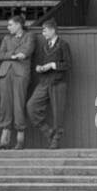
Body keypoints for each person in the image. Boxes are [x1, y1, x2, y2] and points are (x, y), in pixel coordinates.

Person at [25, 17, 73, 149]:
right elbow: (40, 62)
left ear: (52, 30)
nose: (43, 33)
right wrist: (39, 67)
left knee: (58, 112)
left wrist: (52, 65)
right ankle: (48, 131)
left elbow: (68, 64)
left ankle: (56, 139)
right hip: (44, 82)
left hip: (58, 82)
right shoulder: (44, 46)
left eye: (45, 31)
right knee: (31, 106)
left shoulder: (63, 45)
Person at [0, 14, 35, 149]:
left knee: (19, 103)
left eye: (11, 25)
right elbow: (0, 54)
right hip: (5, 72)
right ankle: (4, 139)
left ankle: (20, 138)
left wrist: (11, 54)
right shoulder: (7, 38)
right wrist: (14, 55)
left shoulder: (29, 36)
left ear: (19, 25)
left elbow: (26, 51)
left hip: (20, 73)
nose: (8, 27)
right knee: (4, 103)